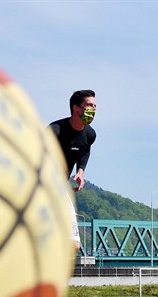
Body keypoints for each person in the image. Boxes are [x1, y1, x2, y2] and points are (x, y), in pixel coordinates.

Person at [48, 89, 97, 254]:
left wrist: (80, 172)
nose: (93, 109)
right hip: (40, 187)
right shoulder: (54, 131)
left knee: (73, 245)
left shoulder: (90, 135)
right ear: (76, 108)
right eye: (89, 105)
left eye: (95, 106)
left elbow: (84, 151)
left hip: (61, 188)